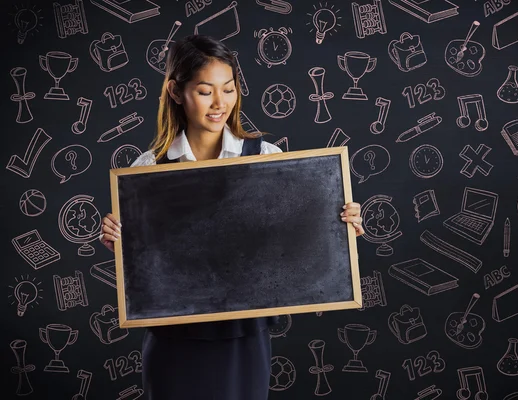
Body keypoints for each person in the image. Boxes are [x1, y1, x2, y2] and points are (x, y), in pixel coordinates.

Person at [99, 35, 365, 399]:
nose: (219, 103)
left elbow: (297, 236)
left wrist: (340, 221)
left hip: (243, 338)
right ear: (176, 92)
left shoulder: (266, 158)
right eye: (205, 91)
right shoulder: (148, 170)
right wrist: (119, 237)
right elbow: (143, 266)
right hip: (173, 340)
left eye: (229, 89)